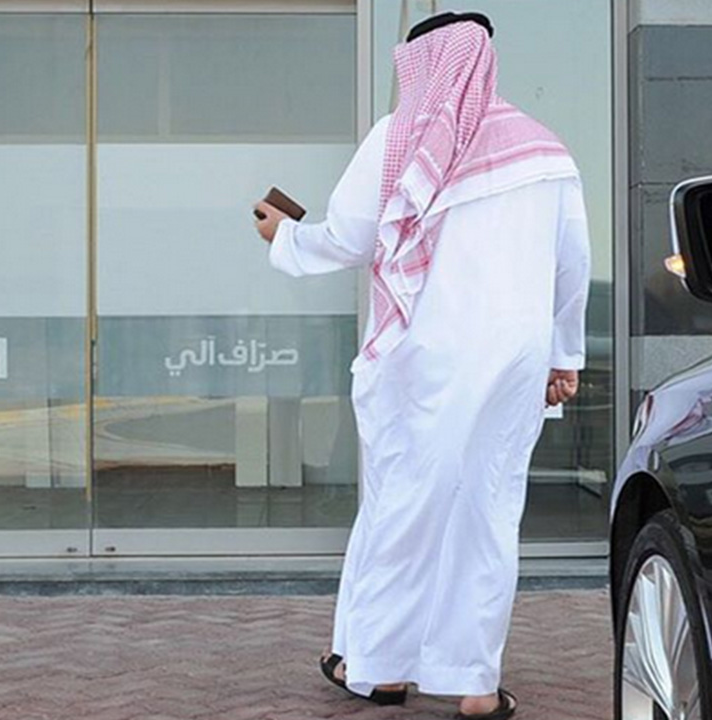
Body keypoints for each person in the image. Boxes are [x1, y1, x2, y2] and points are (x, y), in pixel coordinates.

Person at [253, 11, 590, 720]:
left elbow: (349, 239)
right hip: (516, 358)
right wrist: (564, 356)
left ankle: (379, 669)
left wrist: (284, 236)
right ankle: (475, 686)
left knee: (405, 503)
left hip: (426, 356)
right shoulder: (546, 150)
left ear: (423, 63)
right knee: (489, 507)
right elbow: (571, 266)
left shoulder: (398, 138)